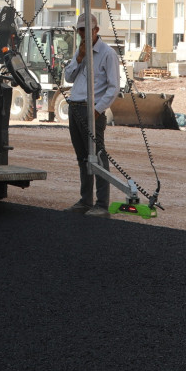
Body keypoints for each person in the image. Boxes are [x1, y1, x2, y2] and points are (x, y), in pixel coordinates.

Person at [60, 12, 121, 217]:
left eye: (87, 30)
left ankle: (102, 204)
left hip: (91, 109)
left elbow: (113, 87)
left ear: (96, 30)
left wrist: (97, 110)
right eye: (81, 30)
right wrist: (79, 58)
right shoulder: (80, 51)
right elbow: (69, 77)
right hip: (75, 107)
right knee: (82, 158)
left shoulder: (108, 54)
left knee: (98, 157)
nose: (84, 34)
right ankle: (85, 201)